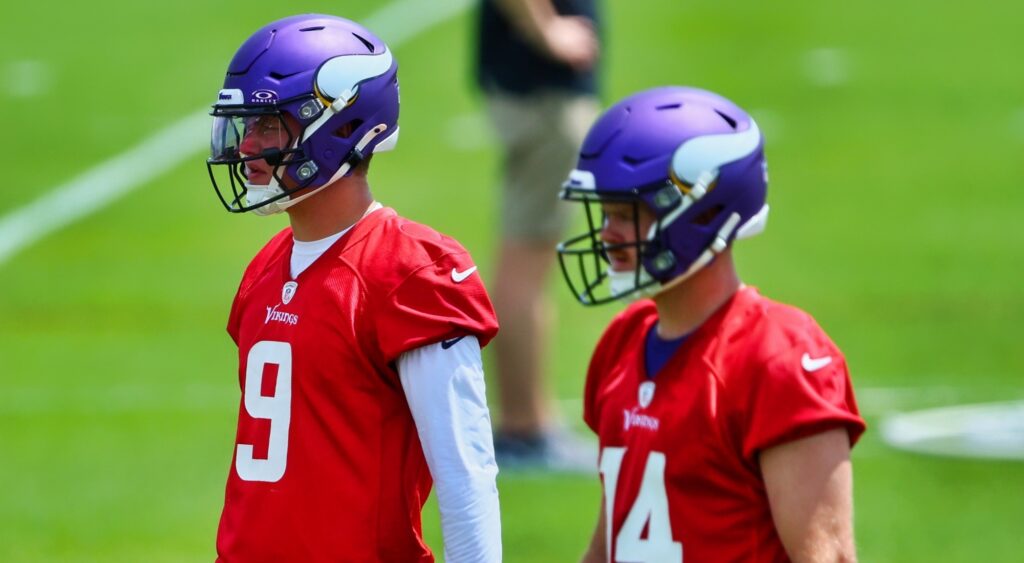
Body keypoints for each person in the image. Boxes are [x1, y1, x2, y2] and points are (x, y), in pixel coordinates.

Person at [205, 14, 501, 562]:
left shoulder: (411, 272)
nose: (246, 146)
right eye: (245, 125)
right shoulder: (266, 268)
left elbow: (467, 478)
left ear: (341, 127)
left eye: (268, 125)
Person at [556, 86, 866, 562]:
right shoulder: (623, 341)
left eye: (627, 215)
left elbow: (827, 557)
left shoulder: (779, 357)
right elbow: (611, 541)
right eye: (605, 213)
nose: (606, 236)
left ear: (701, 214)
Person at [476, 0, 602, 470]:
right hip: (543, 88)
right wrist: (546, 30)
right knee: (526, 262)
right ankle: (524, 427)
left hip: (534, 84)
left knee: (528, 261)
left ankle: (530, 420)